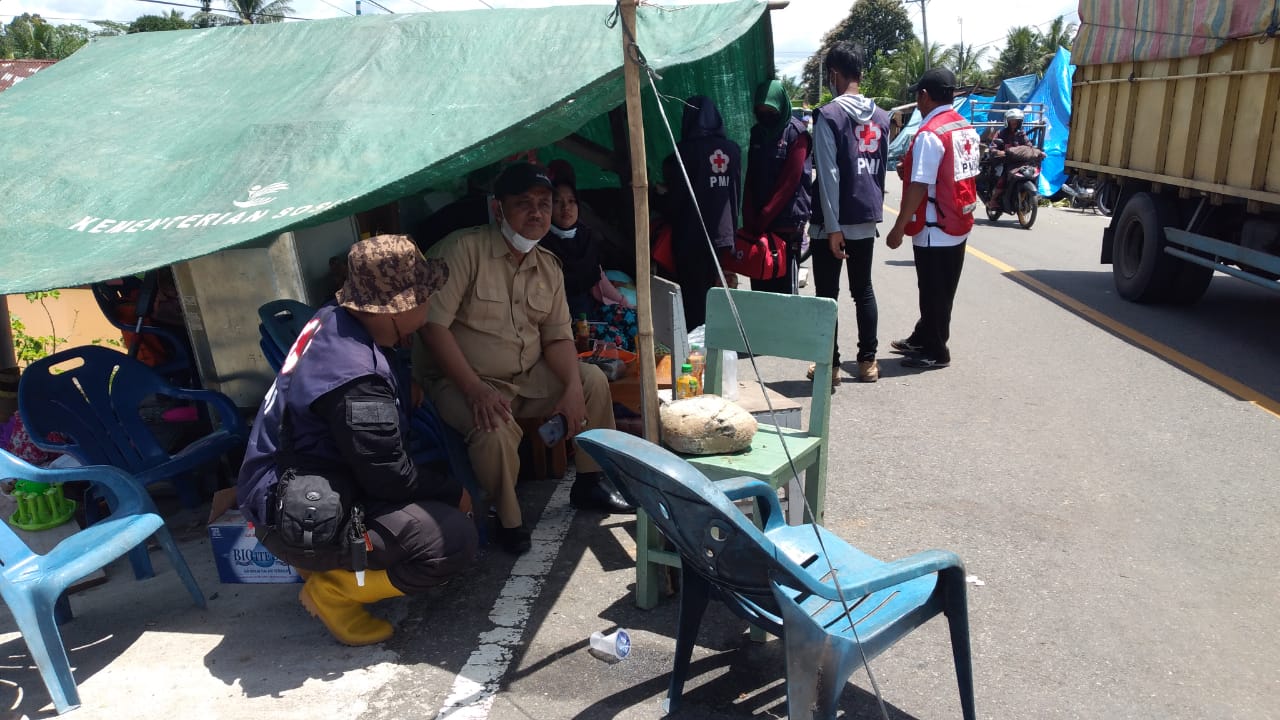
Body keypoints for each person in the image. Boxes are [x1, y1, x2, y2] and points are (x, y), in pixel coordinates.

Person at [237, 235, 479, 647]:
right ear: (399, 307)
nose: (430, 303)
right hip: (294, 512)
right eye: (426, 296)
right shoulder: (357, 380)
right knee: (450, 536)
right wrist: (455, 491)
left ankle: (327, 566)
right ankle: (334, 593)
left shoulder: (334, 319)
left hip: (278, 485)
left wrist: (404, 384)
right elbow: (390, 480)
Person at [414, 162, 633, 556]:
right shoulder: (461, 250)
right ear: (498, 210)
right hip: (464, 381)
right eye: (523, 204)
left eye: (544, 204)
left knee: (592, 381)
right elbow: (432, 329)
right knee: (494, 427)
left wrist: (569, 389)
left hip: (527, 375)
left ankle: (590, 481)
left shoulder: (547, 266)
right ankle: (508, 518)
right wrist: (475, 389)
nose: (537, 213)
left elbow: (558, 337)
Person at [885, 68, 982, 370]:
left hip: (934, 225)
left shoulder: (930, 134)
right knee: (942, 288)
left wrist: (898, 227)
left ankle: (936, 350)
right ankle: (923, 335)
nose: (916, 101)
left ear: (925, 96)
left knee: (932, 291)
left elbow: (919, 186)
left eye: (917, 95)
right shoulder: (963, 126)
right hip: (957, 219)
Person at [808, 41, 891, 386]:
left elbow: (828, 175)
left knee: (827, 296)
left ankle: (830, 367)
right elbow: (880, 172)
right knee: (863, 290)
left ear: (834, 74)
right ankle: (868, 362)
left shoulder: (829, 116)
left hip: (833, 222)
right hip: (865, 217)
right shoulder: (883, 117)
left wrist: (832, 227)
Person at [666, 95, 741, 331]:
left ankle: (697, 353)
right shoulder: (733, 151)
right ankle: (718, 343)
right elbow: (735, 193)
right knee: (718, 293)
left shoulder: (681, 154)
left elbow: (674, 200)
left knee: (693, 298)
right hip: (723, 237)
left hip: (690, 237)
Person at [743, 78, 812, 295]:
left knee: (784, 291)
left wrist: (763, 216)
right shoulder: (757, 133)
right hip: (760, 227)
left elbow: (789, 182)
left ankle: (787, 330)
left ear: (781, 106)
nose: (765, 115)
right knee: (761, 283)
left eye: (770, 110)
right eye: (760, 110)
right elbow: (751, 177)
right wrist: (750, 218)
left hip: (786, 225)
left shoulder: (796, 134)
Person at [541, 173, 628, 319]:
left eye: (571, 201)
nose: (565, 207)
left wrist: (623, 302)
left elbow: (599, 279)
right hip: (553, 322)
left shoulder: (586, 238)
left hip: (587, 318)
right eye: (557, 201)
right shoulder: (540, 244)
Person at [985, 108, 1043, 211]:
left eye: (1016, 121)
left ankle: (1031, 195)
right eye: (1012, 120)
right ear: (1007, 121)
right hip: (1005, 162)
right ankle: (993, 200)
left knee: (1033, 173)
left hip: (1020, 162)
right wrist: (998, 152)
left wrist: (1038, 152)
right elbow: (992, 147)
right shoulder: (1001, 133)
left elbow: (1029, 146)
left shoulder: (1021, 134)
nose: (1014, 123)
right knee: (1002, 180)